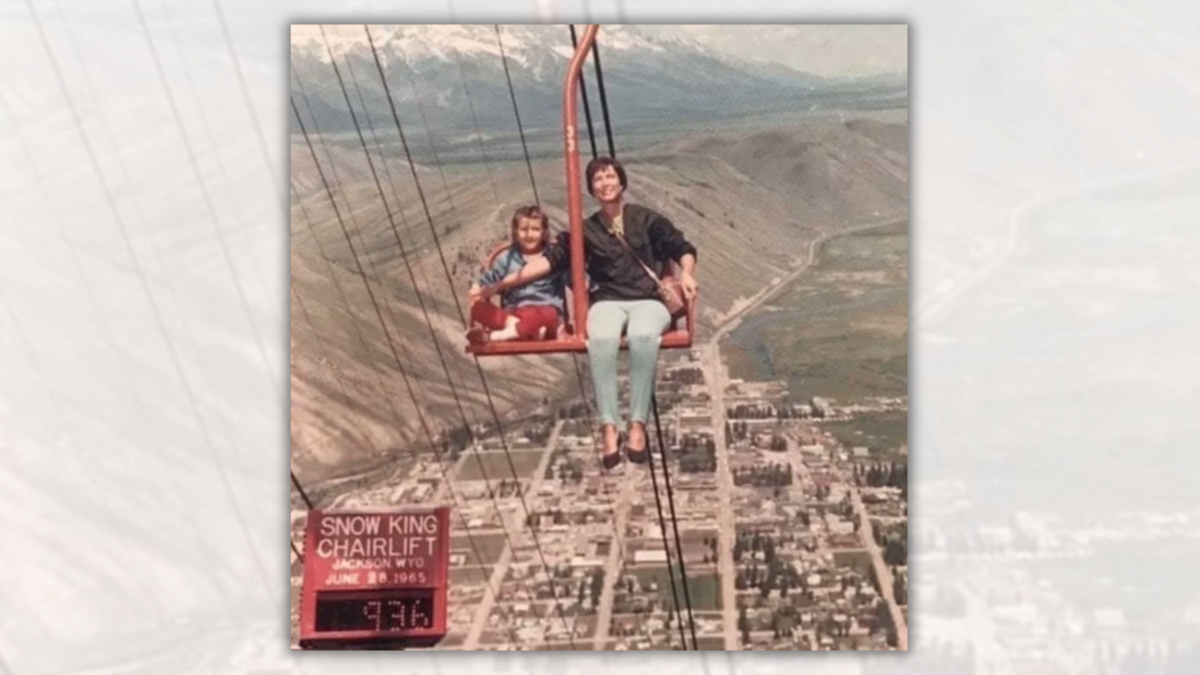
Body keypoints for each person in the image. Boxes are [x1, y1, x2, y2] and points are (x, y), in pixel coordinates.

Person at [489, 157, 698, 469]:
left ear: (622, 182)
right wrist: (499, 284)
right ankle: (609, 427)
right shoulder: (585, 230)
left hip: (648, 300)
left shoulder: (645, 219)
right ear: (591, 189)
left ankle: (638, 423)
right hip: (607, 301)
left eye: (610, 176)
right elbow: (550, 261)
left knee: (643, 336)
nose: (605, 183)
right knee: (600, 338)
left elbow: (681, 246)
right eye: (598, 179)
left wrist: (687, 274)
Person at [467, 206, 565, 344]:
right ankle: (526, 331)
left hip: (545, 310)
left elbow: (574, 279)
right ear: (515, 232)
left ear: (544, 232)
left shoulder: (554, 257)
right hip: (515, 312)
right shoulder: (507, 259)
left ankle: (496, 337)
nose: (529, 234)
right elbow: (491, 277)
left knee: (546, 316)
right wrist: (478, 286)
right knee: (478, 309)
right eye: (524, 230)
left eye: (535, 229)